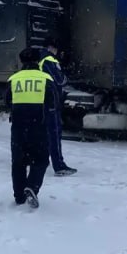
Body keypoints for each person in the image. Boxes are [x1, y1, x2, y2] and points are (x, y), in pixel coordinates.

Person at [5, 47, 56, 208]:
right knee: (40, 160)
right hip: (38, 126)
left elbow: (7, 101)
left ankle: (19, 196)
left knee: (18, 162)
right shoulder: (45, 78)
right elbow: (53, 102)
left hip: (18, 127)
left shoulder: (14, 79)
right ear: (37, 61)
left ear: (21, 61)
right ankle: (32, 186)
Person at [38, 37, 77, 176]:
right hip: (51, 102)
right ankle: (59, 165)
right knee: (54, 134)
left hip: (45, 101)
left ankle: (41, 160)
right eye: (55, 49)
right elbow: (60, 79)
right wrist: (65, 78)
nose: (57, 52)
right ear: (51, 47)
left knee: (45, 134)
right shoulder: (49, 60)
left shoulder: (41, 59)